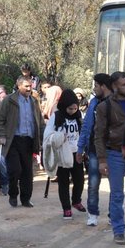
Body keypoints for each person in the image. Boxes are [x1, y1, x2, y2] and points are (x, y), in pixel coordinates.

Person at [94, 71, 125, 244]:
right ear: (114, 86)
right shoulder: (104, 107)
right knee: (117, 195)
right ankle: (118, 230)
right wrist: (102, 160)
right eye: (123, 84)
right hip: (114, 153)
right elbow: (99, 134)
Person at [0, 76, 43, 208]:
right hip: (13, 140)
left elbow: (40, 122)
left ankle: (26, 199)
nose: (29, 89)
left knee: (27, 172)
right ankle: (13, 194)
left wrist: (43, 137)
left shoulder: (34, 101)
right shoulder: (9, 100)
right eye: (26, 86)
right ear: (19, 86)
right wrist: (1, 135)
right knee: (15, 170)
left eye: (30, 86)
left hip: (29, 141)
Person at [75, 73, 113, 227]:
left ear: (103, 86)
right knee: (93, 182)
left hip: (112, 149)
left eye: (96, 86)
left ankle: (114, 215)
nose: (94, 89)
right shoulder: (93, 102)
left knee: (115, 185)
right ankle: (92, 213)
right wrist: (80, 148)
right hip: (94, 149)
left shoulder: (116, 102)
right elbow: (86, 125)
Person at [43, 89, 84, 220]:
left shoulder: (78, 116)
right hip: (62, 153)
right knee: (64, 182)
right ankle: (66, 208)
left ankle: (76, 200)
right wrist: (59, 136)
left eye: (75, 108)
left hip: (76, 153)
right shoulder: (57, 116)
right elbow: (48, 134)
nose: (73, 111)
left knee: (80, 180)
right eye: (70, 108)